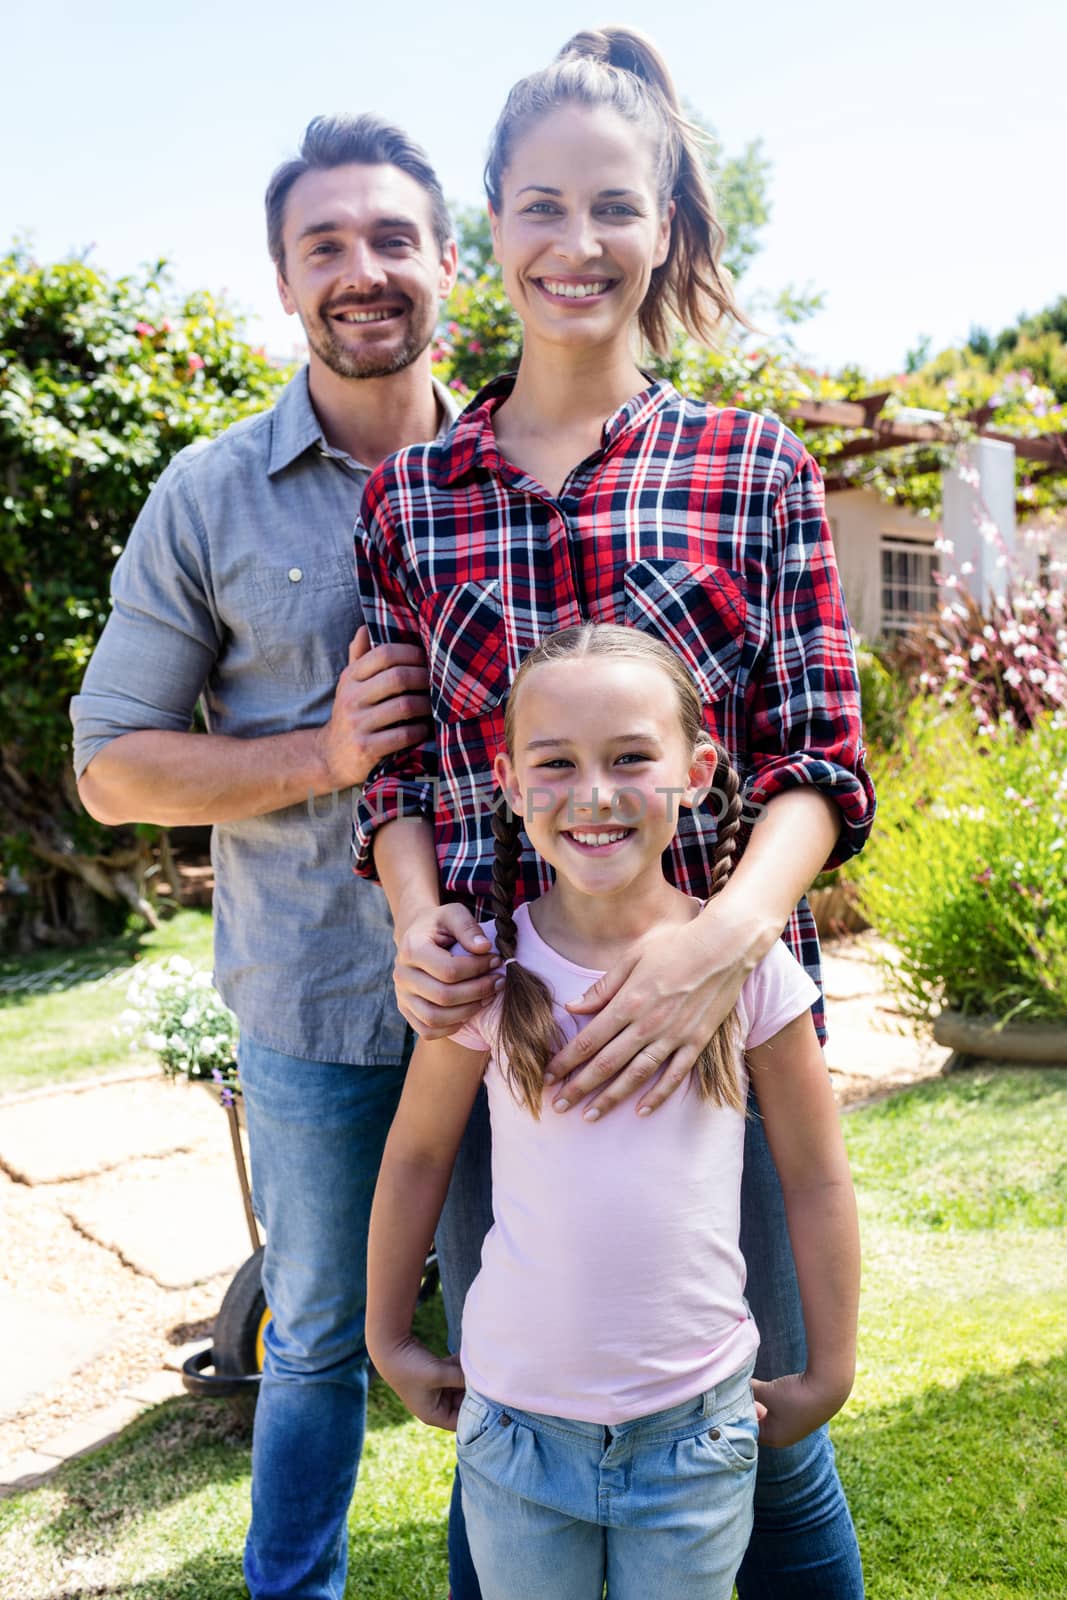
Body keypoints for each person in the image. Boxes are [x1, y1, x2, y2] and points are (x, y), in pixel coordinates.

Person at [353, 26, 875, 1598]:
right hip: (502, 1024)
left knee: (761, 1425)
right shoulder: (410, 495)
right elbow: (391, 774)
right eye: (537, 207)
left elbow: (819, 762)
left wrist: (724, 940)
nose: (575, 246)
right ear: (485, 233)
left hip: (721, 1026)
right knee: (512, 1412)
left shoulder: (752, 466)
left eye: (613, 208)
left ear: (666, 228)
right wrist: (414, 921)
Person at [70, 114, 464, 1600]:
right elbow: (109, 768)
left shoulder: (527, 465)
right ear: (284, 280)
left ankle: (518, 1570)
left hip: (525, 990)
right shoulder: (208, 494)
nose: (361, 270)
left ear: (444, 263)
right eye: (326, 246)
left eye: (389, 238)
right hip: (317, 1005)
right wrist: (320, 756)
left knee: (522, 1316)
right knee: (308, 1333)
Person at [366, 624, 861, 1600]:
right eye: (555, 763)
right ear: (506, 781)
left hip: (696, 1431)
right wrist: (387, 1334)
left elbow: (813, 1174)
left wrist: (828, 1369)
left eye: (630, 757)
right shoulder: (487, 972)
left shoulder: (750, 971)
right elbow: (418, 1156)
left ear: (694, 767)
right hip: (513, 1432)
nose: (592, 793)